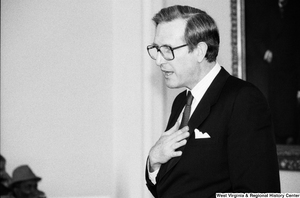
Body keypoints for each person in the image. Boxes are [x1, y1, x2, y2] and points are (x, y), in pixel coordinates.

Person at [145, 5, 280, 197]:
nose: (158, 60)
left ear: (199, 51)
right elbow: (171, 187)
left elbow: (259, 193)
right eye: (157, 49)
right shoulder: (181, 102)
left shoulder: (243, 100)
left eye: (167, 49)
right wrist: (154, 160)